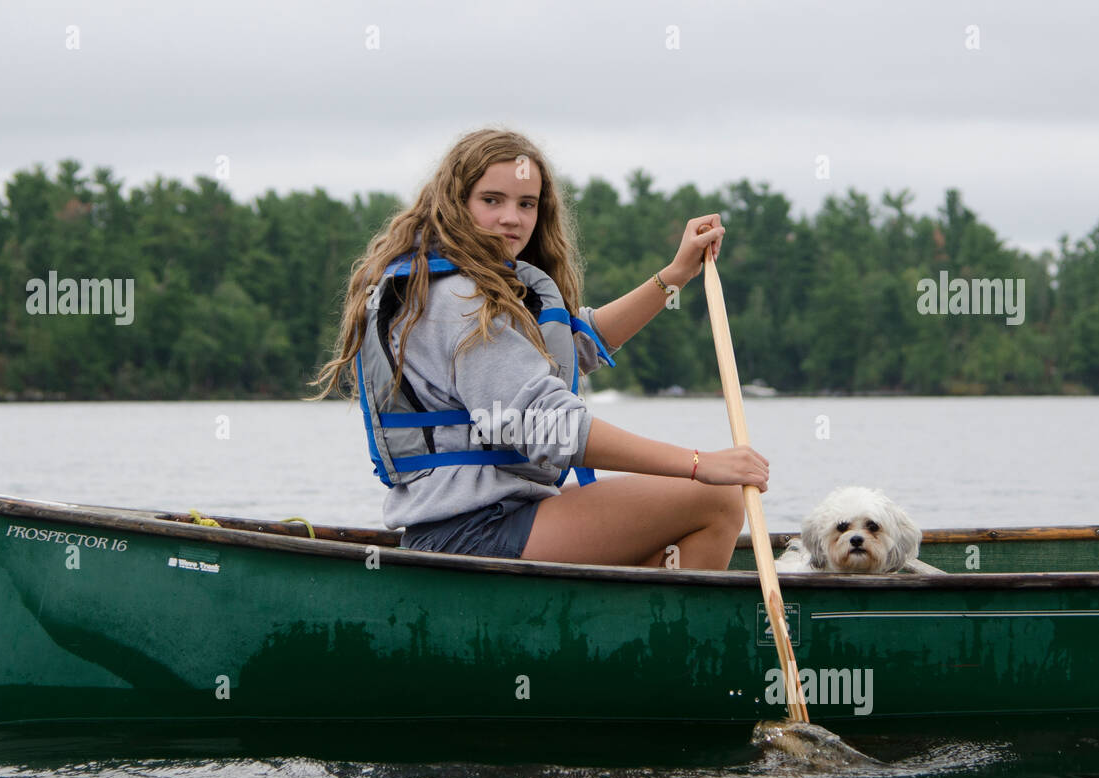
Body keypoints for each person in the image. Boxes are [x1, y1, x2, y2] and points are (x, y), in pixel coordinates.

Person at [313, 128, 769, 570]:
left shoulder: (462, 288)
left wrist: (675, 276)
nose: (512, 218)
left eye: (526, 204)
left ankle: (632, 634)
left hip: (488, 522)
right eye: (492, 200)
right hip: (470, 535)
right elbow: (552, 426)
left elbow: (578, 343)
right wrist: (699, 464)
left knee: (666, 546)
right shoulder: (456, 301)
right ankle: (662, 642)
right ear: (455, 204)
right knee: (715, 498)